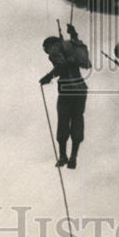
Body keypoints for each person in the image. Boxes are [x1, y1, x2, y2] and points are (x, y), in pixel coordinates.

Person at [39, 27, 91, 168]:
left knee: (63, 120)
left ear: (49, 45)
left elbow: (61, 65)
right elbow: (83, 59)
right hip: (81, 89)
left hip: (67, 88)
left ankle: (63, 156)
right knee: (77, 119)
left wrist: (48, 77)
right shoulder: (72, 46)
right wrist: (74, 34)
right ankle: (73, 157)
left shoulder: (54, 49)